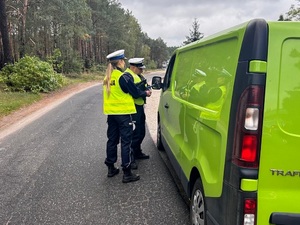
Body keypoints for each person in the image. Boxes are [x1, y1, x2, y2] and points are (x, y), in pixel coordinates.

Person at [103, 50, 151, 183]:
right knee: (126, 142)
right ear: (119, 62)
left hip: (111, 114)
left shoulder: (107, 77)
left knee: (112, 140)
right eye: (123, 60)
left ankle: (111, 167)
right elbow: (135, 93)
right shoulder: (123, 77)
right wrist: (145, 93)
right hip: (123, 115)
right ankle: (127, 172)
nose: (124, 62)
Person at [123, 58, 151, 169]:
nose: (142, 71)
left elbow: (145, 85)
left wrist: (148, 89)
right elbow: (134, 92)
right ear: (133, 67)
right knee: (134, 134)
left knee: (141, 131)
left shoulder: (138, 76)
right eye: (140, 69)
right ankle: (131, 158)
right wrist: (145, 92)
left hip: (139, 107)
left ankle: (137, 151)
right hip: (132, 108)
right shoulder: (127, 76)